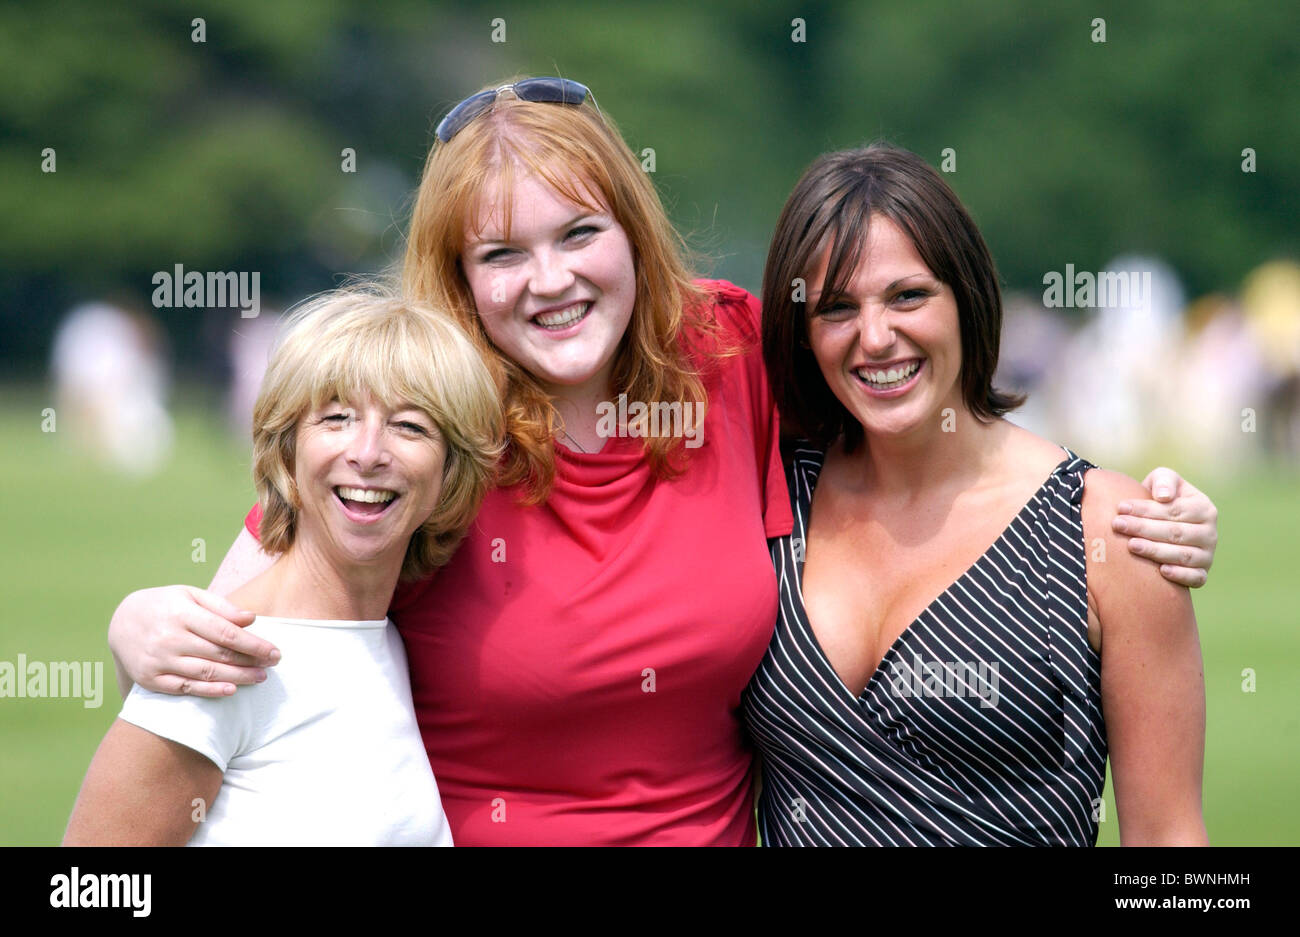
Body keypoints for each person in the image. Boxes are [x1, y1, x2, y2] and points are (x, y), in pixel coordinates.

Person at [104, 79, 1219, 846]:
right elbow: (255, 613)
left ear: (633, 232)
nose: (549, 280)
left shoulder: (736, 362)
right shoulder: (421, 427)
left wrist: (1125, 506)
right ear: (459, 278)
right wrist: (139, 627)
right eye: (502, 254)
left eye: (578, 234)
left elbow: (912, 404)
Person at [746, 145, 1209, 846]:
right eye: (838, 307)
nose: (876, 337)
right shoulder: (770, 495)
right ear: (803, 333)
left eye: (908, 296)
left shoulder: (1108, 530)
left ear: (966, 295)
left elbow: (1171, 848)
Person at [65, 288, 503, 845]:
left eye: (410, 426)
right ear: (287, 451)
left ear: (451, 472)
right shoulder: (215, 659)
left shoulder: (391, 643)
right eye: (337, 418)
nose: (368, 453)